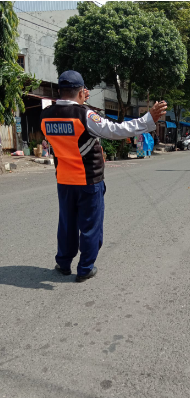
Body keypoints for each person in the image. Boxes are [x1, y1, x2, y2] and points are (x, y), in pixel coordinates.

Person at [40, 70, 167, 282]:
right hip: (88, 180)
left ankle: (63, 263)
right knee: (90, 226)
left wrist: (79, 101)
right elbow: (115, 130)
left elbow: (66, 127)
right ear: (81, 92)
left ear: (59, 91)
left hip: (64, 180)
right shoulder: (85, 115)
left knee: (67, 224)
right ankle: (85, 268)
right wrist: (148, 119)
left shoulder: (45, 116)